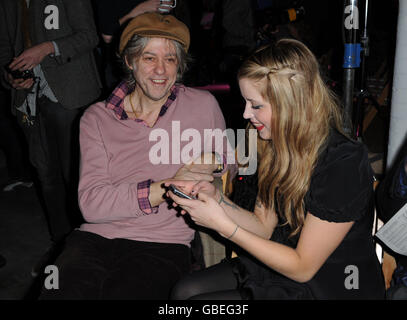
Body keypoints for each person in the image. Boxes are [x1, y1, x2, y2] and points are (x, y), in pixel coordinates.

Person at [168, 39, 386, 300]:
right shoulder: (274, 143)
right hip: (280, 266)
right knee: (184, 291)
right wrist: (217, 200)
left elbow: (303, 267)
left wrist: (222, 225)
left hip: (329, 285)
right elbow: (262, 226)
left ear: (292, 102)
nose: (247, 114)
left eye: (256, 105)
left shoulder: (343, 163)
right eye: (246, 103)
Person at [39, 12, 232, 300]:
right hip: (94, 238)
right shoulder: (96, 118)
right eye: (149, 57)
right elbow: (91, 205)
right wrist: (167, 186)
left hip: (163, 244)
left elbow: (231, 157)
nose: (161, 70)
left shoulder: (203, 105)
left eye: (170, 59)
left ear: (180, 66)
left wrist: (213, 161)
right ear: (129, 61)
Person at [0, 0, 102, 274]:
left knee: (78, 179)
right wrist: (10, 78)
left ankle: (92, 247)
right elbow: (3, 49)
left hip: (69, 94)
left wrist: (48, 48)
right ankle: (61, 247)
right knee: (47, 179)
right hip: (29, 100)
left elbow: (89, 35)